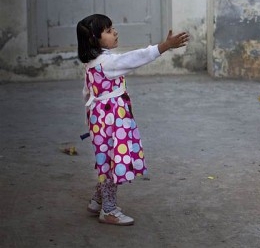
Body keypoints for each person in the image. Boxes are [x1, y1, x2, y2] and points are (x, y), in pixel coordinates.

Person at [76, 14, 189, 226]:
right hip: (112, 121)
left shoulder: (92, 63)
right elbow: (137, 57)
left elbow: (86, 93)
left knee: (105, 160)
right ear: (94, 39)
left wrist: (92, 122)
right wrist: (165, 46)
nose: (115, 32)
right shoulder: (108, 63)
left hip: (99, 120)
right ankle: (108, 211)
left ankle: (96, 202)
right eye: (109, 31)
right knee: (111, 164)